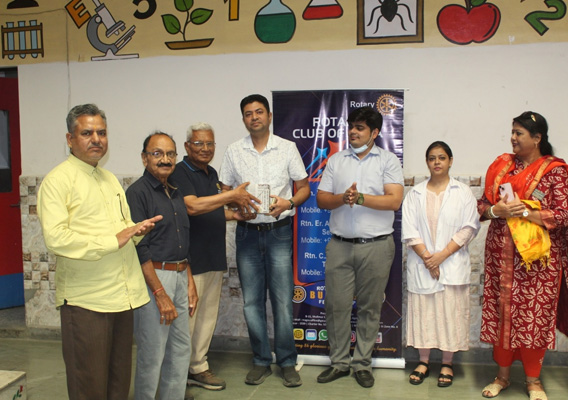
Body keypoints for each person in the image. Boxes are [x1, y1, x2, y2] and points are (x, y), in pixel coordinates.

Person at [37, 104, 161, 400]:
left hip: (122, 297)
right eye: (87, 133)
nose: (96, 139)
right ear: (70, 139)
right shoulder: (57, 181)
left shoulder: (109, 179)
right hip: (87, 302)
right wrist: (113, 240)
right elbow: (56, 238)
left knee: (118, 384)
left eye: (102, 133)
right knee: (89, 386)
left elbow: (122, 228)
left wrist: (136, 231)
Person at [219, 94, 310, 387]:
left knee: (282, 301)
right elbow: (223, 192)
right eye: (248, 113)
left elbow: (305, 188)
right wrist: (235, 204)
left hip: (279, 232)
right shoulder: (234, 151)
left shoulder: (287, 148)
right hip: (247, 234)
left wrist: (289, 203)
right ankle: (260, 360)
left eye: (259, 112)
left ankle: (287, 361)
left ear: (269, 116)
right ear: (243, 119)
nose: (254, 117)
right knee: (251, 302)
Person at [478, 112, 568, 400]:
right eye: (513, 132)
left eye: (519, 133)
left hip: (537, 262)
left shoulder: (554, 171)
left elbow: (562, 215)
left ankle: (533, 381)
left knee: (533, 318)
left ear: (537, 138)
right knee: (502, 315)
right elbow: (482, 206)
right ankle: (501, 377)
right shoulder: (502, 167)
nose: (513, 138)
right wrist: (496, 211)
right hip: (500, 258)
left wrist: (527, 212)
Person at [315, 106, 404, 388]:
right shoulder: (336, 160)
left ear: (374, 132)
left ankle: (362, 364)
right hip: (339, 245)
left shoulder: (388, 160)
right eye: (351, 126)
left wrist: (361, 198)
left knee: (369, 308)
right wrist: (343, 198)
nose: (353, 131)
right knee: (336, 307)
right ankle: (339, 363)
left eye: (360, 127)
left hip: (376, 246)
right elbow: (321, 199)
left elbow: (394, 201)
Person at [171, 122, 258, 391]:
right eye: (199, 143)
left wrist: (235, 214)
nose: (205, 148)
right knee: (187, 319)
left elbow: (212, 209)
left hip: (213, 255)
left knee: (207, 317)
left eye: (210, 143)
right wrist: (231, 195)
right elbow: (193, 207)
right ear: (187, 146)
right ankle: (176, 375)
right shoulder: (179, 171)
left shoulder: (211, 173)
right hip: (190, 259)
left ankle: (198, 367)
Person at [126, 132, 198, 400]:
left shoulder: (175, 191)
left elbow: (182, 241)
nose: (165, 159)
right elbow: (139, 247)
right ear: (144, 158)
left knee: (180, 350)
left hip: (180, 275)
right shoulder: (137, 193)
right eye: (157, 154)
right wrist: (159, 293)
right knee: (152, 353)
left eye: (170, 154)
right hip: (154, 278)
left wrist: (189, 282)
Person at [401, 141, 480, 387]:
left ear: (450, 161)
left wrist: (440, 256)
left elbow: (469, 228)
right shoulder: (415, 194)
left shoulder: (463, 192)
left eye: (442, 157)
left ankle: (447, 363)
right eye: (432, 158)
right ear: (427, 162)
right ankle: (423, 361)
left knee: (450, 315)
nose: (437, 162)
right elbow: (410, 230)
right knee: (424, 314)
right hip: (423, 264)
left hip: (452, 264)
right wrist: (428, 258)